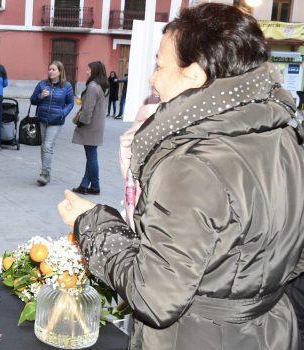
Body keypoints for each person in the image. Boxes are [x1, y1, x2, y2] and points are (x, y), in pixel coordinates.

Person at [58, 4, 304, 349]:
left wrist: (92, 223)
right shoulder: (285, 136)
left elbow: (155, 296)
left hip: (198, 337)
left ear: (194, 74)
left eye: (160, 65)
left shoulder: (192, 163)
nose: (152, 77)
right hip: (271, 329)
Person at [29, 60, 74, 186]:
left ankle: (44, 174)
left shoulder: (66, 86)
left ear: (60, 71)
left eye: (53, 69)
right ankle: (46, 173)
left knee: (48, 146)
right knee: (44, 146)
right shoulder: (42, 84)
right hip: (43, 119)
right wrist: (40, 97)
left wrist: (63, 113)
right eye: (49, 69)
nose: (50, 71)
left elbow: (70, 103)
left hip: (56, 120)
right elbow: (33, 100)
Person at [71, 61, 107, 195]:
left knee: (91, 157)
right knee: (91, 156)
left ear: (95, 71)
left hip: (90, 126)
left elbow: (87, 110)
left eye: (88, 70)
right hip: (97, 125)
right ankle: (84, 185)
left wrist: (80, 122)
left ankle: (96, 186)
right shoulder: (101, 86)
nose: (86, 72)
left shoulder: (92, 87)